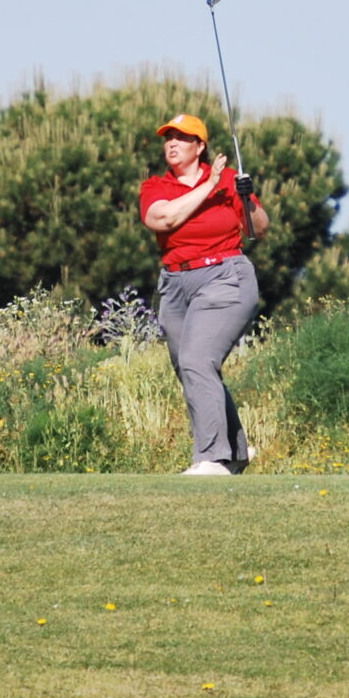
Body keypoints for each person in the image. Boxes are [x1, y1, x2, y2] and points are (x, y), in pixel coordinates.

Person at [138, 114, 269, 476]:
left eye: (182, 137)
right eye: (169, 137)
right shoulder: (156, 186)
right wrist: (208, 186)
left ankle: (212, 458)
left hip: (225, 276)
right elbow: (162, 220)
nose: (172, 143)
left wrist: (248, 201)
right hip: (175, 284)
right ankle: (236, 452)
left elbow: (258, 230)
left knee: (197, 359)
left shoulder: (228, 180)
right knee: (190, 368)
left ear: (200, 147)